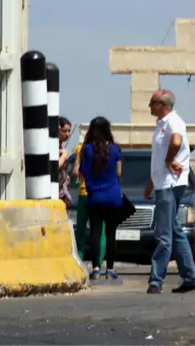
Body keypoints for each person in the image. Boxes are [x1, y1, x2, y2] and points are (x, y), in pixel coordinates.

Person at [145, 89, 195, 294]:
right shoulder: (160, 126)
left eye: (152, 102)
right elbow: (157, 158)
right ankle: (191, 276)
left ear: (162, 104)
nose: (149, 106)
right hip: (162, 183)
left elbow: (176, 142)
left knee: (164, 234)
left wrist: (170, 160)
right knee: (175, 230)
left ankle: (156, 280)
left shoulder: (173, 121)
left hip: (171, 184)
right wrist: (150, 184)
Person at [74, 116, 122, 280]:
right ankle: (110, 269)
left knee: (95, 232)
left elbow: (82, 173)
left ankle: (95, 268)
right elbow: (118, 173)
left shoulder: (86, 150)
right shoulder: (115, 149)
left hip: (94, 196)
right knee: (110, 234)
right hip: (113, 197)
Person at [57, 117, 73, 207]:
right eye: (64, 131)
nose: (67, 134)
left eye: (69, 131)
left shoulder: (61, 147)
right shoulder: (52, 147)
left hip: (62, 193)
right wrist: (64, 155)